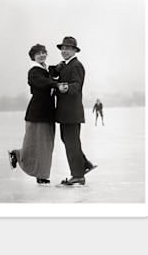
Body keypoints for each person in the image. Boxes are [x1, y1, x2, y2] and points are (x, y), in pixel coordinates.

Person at [8, 44, 60, 185]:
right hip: (37, 113)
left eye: (44, 53)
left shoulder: (44, 69)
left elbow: (52, 72)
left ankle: (19, 155)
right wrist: (56, 84)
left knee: (46, 145)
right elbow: (41, 82)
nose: (42, 55)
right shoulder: (34, 71)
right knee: (38, 145)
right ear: (33, 57)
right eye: (38, 54)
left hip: (47, 112)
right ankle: (41, 175)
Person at [49, 36, 97, 186]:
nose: (64, 51)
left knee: (71, 143)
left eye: (68, 48)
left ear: (74, 50)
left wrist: (65, 87)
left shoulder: (76, 66)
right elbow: (54, 73)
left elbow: (77, 86)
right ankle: (84, 165)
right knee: (68, 141)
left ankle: (78, 175)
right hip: (66, 112)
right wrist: (54, 68)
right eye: (62, 48)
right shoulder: (65, 65)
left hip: (72, 112)